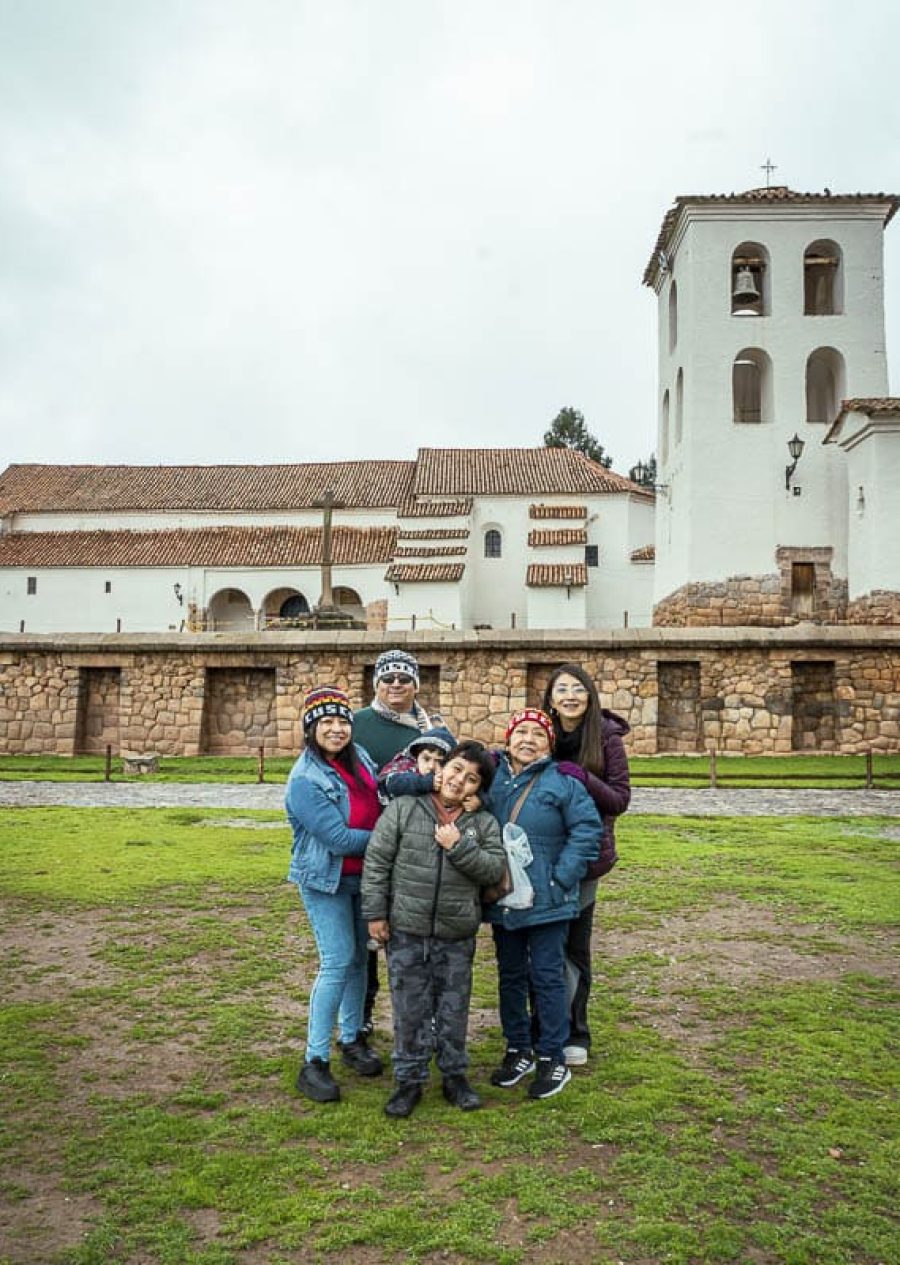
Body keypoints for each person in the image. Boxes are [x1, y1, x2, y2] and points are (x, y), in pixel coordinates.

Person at [362, 742, 506, 1118]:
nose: (460, 781)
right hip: (406, 929)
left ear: (478, 789)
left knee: (453, 1008)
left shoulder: (483, 823)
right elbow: (377, 862)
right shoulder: (405, 808)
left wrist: (458, 846)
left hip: (456, 933)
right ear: (443, 767)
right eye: (457, 769)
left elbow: (493, 870)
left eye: (471, 778)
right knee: (409, 1007)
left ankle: (455, 1076)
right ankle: (409, 1079)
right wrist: (376, 913)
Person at [483, 708, 603, 1100]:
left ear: (549, 743)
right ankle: (519, 1046)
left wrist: (562, 876)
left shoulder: (562, 782)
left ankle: (552, 1053)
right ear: (508, 739)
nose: (528, 740)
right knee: (511, 975)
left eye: (538, 734)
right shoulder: (493, 780)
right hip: (504, 898)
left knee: (548, 975)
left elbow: (587, 828)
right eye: (522, 732)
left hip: (548, 897)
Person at [285, 685, 385, 1103]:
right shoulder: (305, 779)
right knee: (337, 960)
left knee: (362, 957)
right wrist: (391, 838)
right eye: (326, 721)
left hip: (364, 878)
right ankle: (315, 1061)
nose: (336, 728)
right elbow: (340, 838)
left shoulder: (359, 758)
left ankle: (351, 1037)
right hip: (326, 880)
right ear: (311, 728)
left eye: (342, 720)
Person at [542, 664, 631, 1066]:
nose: (570, 696)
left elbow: (619, 800)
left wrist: (582, 777)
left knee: (574, 947)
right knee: (541, 946)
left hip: (585, 857)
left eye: (578, 689)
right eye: (562, 689)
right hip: (540, 855)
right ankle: (543, 1024)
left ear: (590, 696)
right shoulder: (539, 733)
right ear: (551, 698)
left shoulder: (606, 738)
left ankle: (576, 1030)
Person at [352, 649, 439, 1032]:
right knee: (369, 933)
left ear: (416, 684)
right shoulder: (358, 724)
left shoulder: (430, 727)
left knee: (416, 935)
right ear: (377, 684)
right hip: (375, 835)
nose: (396, 685)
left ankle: (423, 1017)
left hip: (420, 841)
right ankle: (363, 1016)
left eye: (404, 679)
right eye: (388, 679)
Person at [376, 725, 457, 803]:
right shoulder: (405, 768)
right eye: (426, 759)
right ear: (417, 756)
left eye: (439, 762)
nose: (431, 766)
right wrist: (425, 782)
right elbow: (392, 784)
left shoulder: (452, 781)